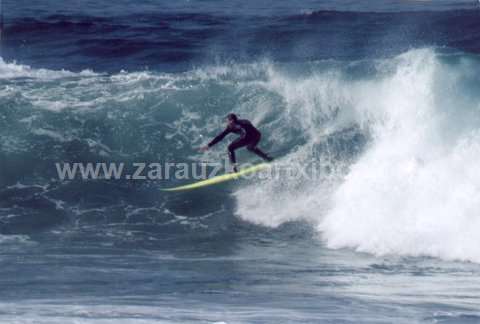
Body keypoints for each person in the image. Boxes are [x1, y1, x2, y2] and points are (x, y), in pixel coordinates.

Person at [199, 113, 273, 172]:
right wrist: (209, 145)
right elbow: (220, 136)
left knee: (239, 147)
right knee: (244, 148)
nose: (228, 123)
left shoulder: (244, 123)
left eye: (229, 121)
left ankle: (266, 158)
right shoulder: (230, 127)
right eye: (228, 121)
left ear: (233, 120)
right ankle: (266, 158)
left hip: (255, 135)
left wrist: (245, 137)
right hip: (247, 137)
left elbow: (250, 131)